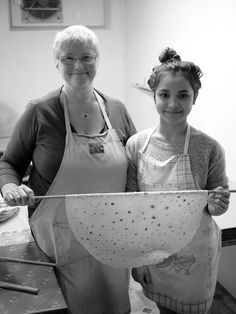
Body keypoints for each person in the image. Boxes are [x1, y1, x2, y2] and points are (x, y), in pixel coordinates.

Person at [0, 25, 136, 314]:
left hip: (112, 235)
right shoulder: (39, 111)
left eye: (87, 57)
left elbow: (137, 165)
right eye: (68, 58)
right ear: (57, 63)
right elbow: (9, 163)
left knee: (114, 303)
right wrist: (10, 186)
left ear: (98, 60)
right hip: (61, 238)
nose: (78, 65)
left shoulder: (117, 109)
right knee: (70, 306)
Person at [125, 47, 230, 314]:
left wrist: (218, 202)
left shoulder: (209, 148)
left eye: (183, 95)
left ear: (195, 97)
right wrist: (138, 261)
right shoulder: (137, 145)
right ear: (154, 96)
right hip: (154, 255)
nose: (173, 103)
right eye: (164, 95)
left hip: (196, 260)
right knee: (165, 309)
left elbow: (216, 208)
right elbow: (131, 209)